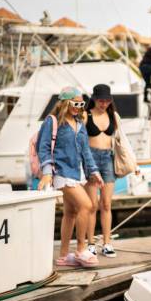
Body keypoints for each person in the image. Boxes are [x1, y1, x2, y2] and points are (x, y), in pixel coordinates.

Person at [37, 86, 104, 268]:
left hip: (76, 173)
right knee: (87, 206)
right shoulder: (52, 121)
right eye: (75, 103)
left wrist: (95, 172)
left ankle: (64, 256)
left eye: (81, 103)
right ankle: (81, 249)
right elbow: (42, 148)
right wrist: (46, 173)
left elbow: (85, 152)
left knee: (71, 213)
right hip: (61, 173)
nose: (78, 106)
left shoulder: (80, 123)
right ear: (65, 102)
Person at [84, 84, 119, 258]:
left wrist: (132, 164)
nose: (103, 103)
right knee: (92, 205)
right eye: (100, 100)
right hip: (91, 159)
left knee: (106, 204)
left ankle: (107, 242)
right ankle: (90, 243)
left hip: (108, 160)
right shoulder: (86, 115)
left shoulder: (113, 115)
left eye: (106, 100)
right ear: (94, 99)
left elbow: (122, 141)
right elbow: (80, 141)